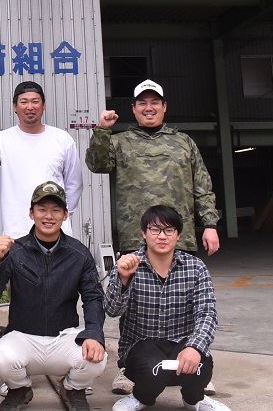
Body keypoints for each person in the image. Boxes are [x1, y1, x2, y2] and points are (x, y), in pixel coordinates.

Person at [85, 78, 221, 395]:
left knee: (187, 303)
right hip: (136, 237)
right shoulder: (121, 141)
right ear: (133, 109)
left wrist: (210, 223)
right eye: (142, 103)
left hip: (179, 238)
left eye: (154, 102)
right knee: (132, 303)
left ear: (164, 107)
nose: (149, 108)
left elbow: (203, 185)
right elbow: (96, 164)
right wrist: (102, 130)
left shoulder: (184, 142)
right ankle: (128, 368)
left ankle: (195, 361)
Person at [0, 181, 106, 411]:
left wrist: (94, 334)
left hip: (64, 337)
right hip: (24, 336)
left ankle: (73, 390)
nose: (48, 216)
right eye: (42, 209)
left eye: (56, 210)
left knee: (97, 355)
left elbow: (93, 298)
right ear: (31, 213)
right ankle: (20, 390)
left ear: (65, 214)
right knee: (1, 356)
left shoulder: (79, 253)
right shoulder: (15, 250)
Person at [105, 206, 228, 411]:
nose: (162, 236)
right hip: (142, 348)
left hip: (182, 344)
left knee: (200, 368)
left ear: (178, 235)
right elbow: (111, 310)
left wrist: (194, 347)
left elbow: (207, 313)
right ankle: (141, 397)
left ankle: (194, 399)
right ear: (143, 233)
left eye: (169, 230)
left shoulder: (195, 267)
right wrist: (123, 279)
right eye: (155, 230)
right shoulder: (128, 264)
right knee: (153, 369)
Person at [0, 81, 84, 238]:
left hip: (56, 234)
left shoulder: (62, 139)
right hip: (17, 233)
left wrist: (63, 217)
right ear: (15, 107)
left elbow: (74, 184)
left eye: (35, 101)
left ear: (43, 106)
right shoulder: (2, 139)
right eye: (24, 102)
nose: (30, 107)